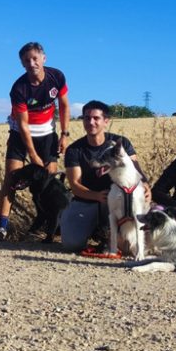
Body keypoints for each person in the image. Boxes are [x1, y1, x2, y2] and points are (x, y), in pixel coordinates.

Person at [0, 41, 69, 239]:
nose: (31, 63)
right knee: (12, 177)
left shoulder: (57, 76)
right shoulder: (19, 88)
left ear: (43, 58)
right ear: (22, 64)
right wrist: (33, 156)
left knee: (48, 179)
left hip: (47, 134)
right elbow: (23, 125)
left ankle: (48, 225)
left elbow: (63, 105)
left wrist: (64, 134)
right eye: (26, 60)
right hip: (21, 134)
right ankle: (1, 227)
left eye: (35, 58)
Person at [60, 100, 149, 251]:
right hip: (87, 200)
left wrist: (146, 186)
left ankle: (111, 237)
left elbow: (136, 170)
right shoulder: (74, 150)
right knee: (71, 244)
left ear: (106, 121)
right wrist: (97, 196)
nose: (90, 122)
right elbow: (75, 185)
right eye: (87, 118)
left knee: (127, 248)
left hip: (119, 200)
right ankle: (94, 230)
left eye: (96, 118)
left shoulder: (122, 144)